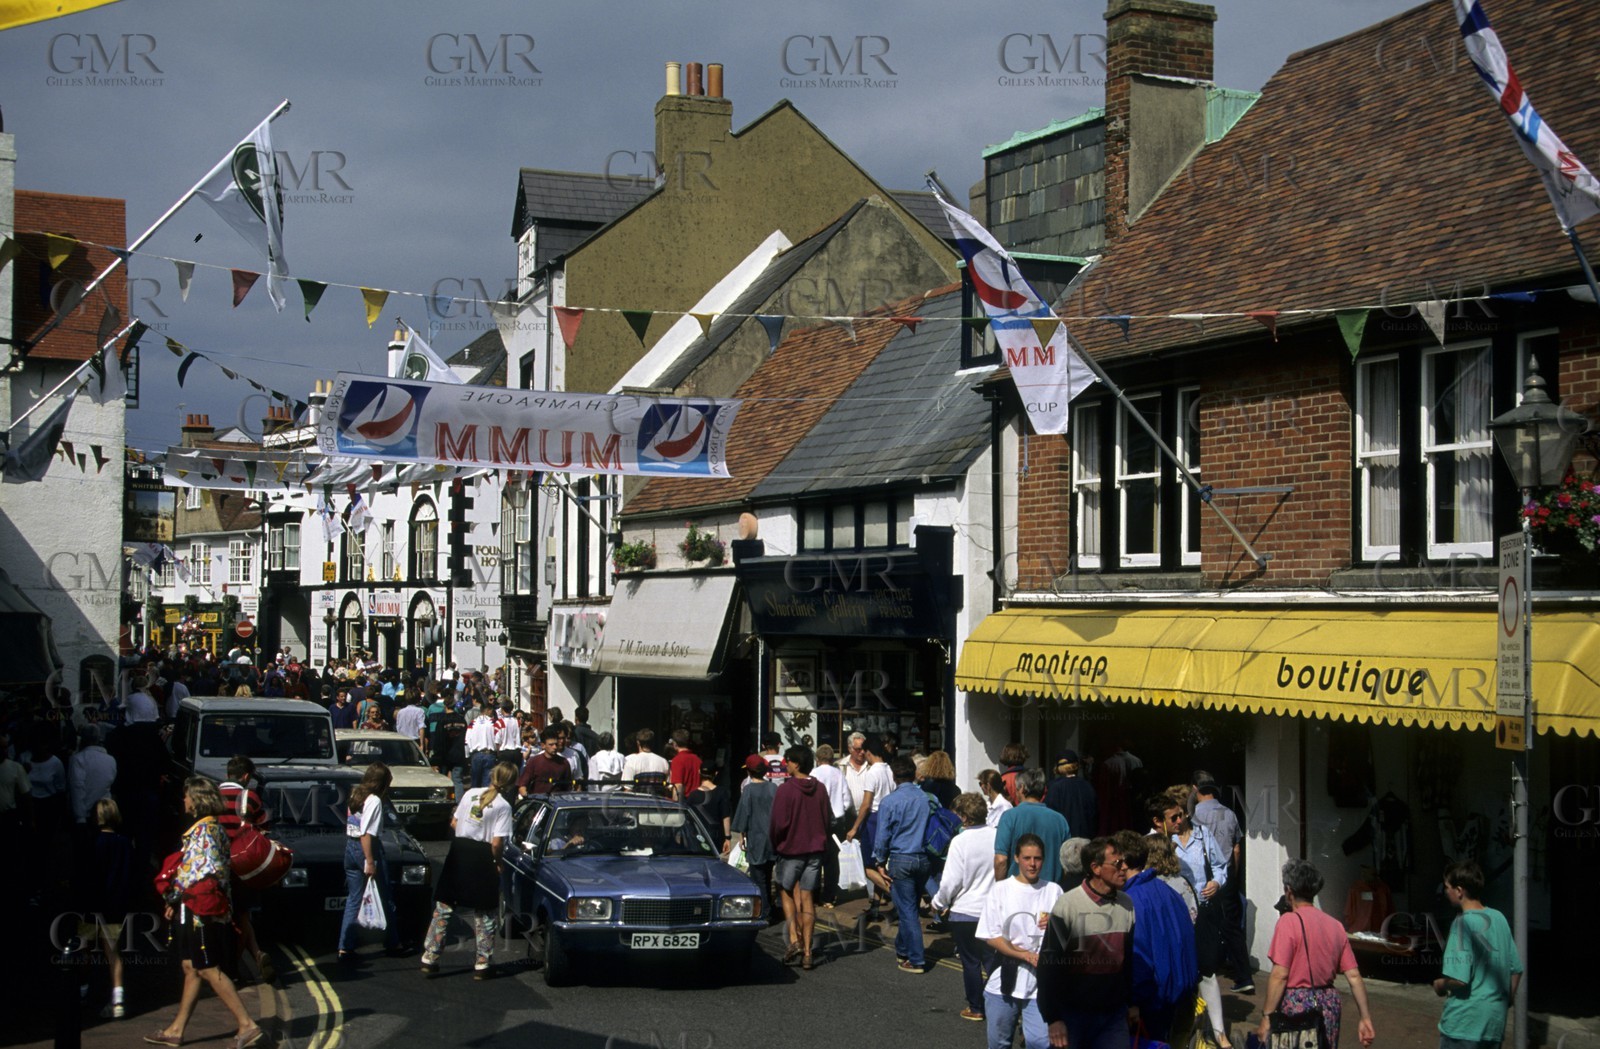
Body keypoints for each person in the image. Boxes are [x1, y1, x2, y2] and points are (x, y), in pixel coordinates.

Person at [148, 777, 262, 1049]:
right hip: (197, 907)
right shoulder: (210, 829)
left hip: (198, 909)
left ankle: (247, 1024)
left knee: (208, 968)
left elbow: (197, 873)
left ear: (197, 800)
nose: (184, 800)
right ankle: (176, 1030)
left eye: (187, 796)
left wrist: (173, 897)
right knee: (191, 967)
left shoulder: (205, 832)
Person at [1255, 859, 1376, 1049]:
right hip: (1328, 1005)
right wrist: (1365, 1017)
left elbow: (1280, 975)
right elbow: (1354, 976)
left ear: (1289, 891)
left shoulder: (1288, 922)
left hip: (1297, 1005)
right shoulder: (1335, 925)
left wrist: (1267, 1017)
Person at [1036, 837, 1137, 1049]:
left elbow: (1128, 962)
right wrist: (1053, 1018)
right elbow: (1048, 966)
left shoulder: (1126, 904)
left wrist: (1132, 1003)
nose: (1124, 868)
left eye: (1124, 862)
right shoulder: (1068, 905)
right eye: (1117, 863)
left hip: (1113, 1015)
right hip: (1073, 1015)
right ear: (1096, 868)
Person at [421, 761, 516, 980]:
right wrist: (498, 863)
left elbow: (454, 823)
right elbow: (496, 843)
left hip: (459, 851)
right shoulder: (503, 806)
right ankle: (482, 963)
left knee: (444, 906)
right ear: (510, 784)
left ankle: (430, 956)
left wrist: (470, 828)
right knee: (484, 912)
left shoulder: (471, 792)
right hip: (482, 856)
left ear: (492, 775)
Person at [1158, 793, 1233, 1044]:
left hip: (1203, 912)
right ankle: (1184, 1029)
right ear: (1163, 822)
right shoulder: (1161, 845)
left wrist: (1216, 882)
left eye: (1181, 815)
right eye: (1173, 818)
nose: (1179, 820)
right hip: (1176, 917)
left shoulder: (1202, 836)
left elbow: (1222, 866)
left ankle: (1220, 1033)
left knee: (1207, 972)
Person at [980, 833, 1063, 1049]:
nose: (1032, 864)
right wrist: (1024, 955)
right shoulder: (1000, 890)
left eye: (1037, 858)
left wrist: (1057, 925)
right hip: (1004, 982)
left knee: (1041, 1043)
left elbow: (1067, 937)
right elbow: (992, 936)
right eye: (1027, 858)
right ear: (1016, 858)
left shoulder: (1053, 891)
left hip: (1040, 984)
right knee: (999, 1044)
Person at [1112, 830, 1196, 1042]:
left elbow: (1139, 957)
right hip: (1179, 994)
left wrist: (1135, 1002)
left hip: (1152, 1001)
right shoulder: (1168, 891)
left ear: (1122, 863)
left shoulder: (1131, 901)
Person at [1434, 860, 1520, 1049]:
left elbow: (1460, 979)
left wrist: (1440, 984)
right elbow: (1516, 969)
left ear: (1459, 891)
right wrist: (1505, 1001)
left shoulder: (1462, 924)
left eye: (1447, 887)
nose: (1445, 892)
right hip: (1493, 1024)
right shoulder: (1499, 918)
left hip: (1464, 1024)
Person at [932, 791, 997, 1023]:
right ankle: (1003, 1003)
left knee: (970, 961)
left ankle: (976, 1007)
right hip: (992, 911)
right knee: (993, 961)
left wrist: (938, 902)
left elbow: (951, 880)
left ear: (964, 817)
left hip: (965, 911)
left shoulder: (960, 841)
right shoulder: (997, 837)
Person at [768, 745, 830, 971]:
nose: (786, 764)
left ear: (795, 764)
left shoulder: (786, 790)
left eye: (788, 761)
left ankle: (794, 939)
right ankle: (807, 952)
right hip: (815, 851)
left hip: (791, 850)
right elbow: (826, 818)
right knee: (807, 898)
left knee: (784, 890)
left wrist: (777, 844)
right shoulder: (820, 789)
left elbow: (777, 824)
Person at [337, 763, 406, 963]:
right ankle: (393, 943)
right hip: (366, 849)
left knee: (354, 899)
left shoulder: (355, 794)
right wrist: (370, 861)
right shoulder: (375, 800)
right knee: (385, 897)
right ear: (381, 783)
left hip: (350, 848)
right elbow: (367, 833)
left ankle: (344, 947)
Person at [871, 755, 932, 974]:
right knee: (910, 906)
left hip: (901, 858)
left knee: (907, 911)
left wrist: (879, 861)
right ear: (914, 773)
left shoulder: (889, 801)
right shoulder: (925, 798)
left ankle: (916, 959)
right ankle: (903, 949)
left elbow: (882, 836)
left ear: (894, 776)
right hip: (923, 858)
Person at [75, 798, 133, 1019]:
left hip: (91, 903)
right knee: (113, 954)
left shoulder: (91, 842)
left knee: (84, 951)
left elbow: (83, 876)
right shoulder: (125, 843)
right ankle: (118, 1000)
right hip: (115, 906)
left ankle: (82, 991)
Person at [1193, 779, 1253, 993]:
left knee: (1202, 923)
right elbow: (1236, 849)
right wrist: (1232, 877)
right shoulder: (1230, 813)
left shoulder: (1194, 815)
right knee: (1231, 926)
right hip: (1225, 876)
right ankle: (1244, 976)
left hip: (1205, 877)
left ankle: (1205, 972)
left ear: (1194, 789)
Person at [219, 755, 274, 984]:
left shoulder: (212, 795)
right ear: (246, 776)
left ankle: (255, 954)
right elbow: (264, 829)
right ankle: (233, 969)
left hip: (216, 865)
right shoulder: (249, 797)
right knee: (242, 915)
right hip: (242, 866)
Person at [993, 769, 1071, 888]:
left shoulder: (1009, 817)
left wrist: (999, 889)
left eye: (1016, 788)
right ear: (1044, 790)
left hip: (1016, 891)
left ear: (1022, 788)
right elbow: (1068, 863)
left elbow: (1001, 860)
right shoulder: (1060, 820)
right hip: (1050, 891)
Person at [730, 755, 779, 920]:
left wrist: (742, 837)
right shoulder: (774, 788)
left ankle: (764, 912)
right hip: (773, 840)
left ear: (750, 772)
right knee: (768, 875)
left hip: (756, 840)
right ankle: (770, 907)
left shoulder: (749, 790)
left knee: (758, 879)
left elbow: (743, 818)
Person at [808, 743, 849, 907]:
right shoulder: (839, 774)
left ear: (817, 759)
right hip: (836, 821)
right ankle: (829, 896)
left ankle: (814, 894)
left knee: (815, 858)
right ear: (832, 759)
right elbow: (847, 800)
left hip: (816, 820)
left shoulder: (813, 773)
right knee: (832, 860)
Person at [68, 723, 117, 824]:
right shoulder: (110, 759)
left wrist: (80, 817)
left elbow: (77, 788)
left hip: (85, 815)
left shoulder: (77, 759)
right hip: (106, 811)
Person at [1044, 750, 1097, 839]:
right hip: (1085, 837)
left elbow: (1050, 816)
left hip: (1063, 839)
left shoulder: (1053, 787)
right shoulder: (1087, 786)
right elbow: (1094, 815)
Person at [686, 764, 732, 854]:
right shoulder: (722, 793)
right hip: (716, 837)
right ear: (716, 773)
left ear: (699, 772)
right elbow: (726, 816)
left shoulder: (693, 795)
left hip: (698, 837)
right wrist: (728, 838)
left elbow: (688, 819)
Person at [517, 726, 573, 796]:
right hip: (538, 802)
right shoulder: (534, 762)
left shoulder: (564, 763)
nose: (555, 747)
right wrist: (527, 796)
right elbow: (522, 785)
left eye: (556, 744)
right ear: (543, 745)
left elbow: (568, 787)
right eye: (551, 745)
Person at [464, 700, 499, 789]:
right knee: (487, 784)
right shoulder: (493, 723)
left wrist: (467, 755)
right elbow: (497, 739)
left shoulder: (473, 723)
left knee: (475, 783)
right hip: (489, 755)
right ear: (489, 710)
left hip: (476, 755)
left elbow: (467, 740)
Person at [667, 729, 702, 802]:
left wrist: (676, 805)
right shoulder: (698, 760)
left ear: (675, 744)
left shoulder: (677, 760)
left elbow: (678, 785)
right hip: (698, 800)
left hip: (685, 801)